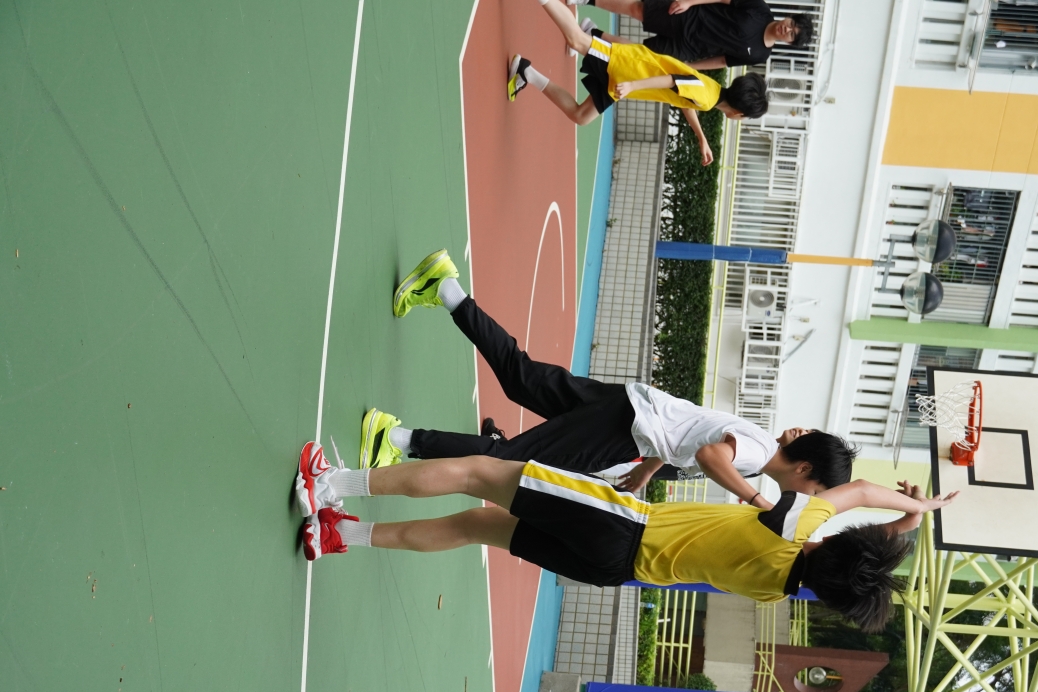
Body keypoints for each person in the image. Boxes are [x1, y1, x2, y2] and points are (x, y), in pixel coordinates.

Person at [293, 440, 958, 631]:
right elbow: (851, 528)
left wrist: (916, 508)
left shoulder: (794, 523)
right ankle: (342, 535)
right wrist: (901, 524)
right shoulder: (777, 589)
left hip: (621, 524)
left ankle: (328, 487)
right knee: (477, 527)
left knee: (479, 473)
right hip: (616, 569)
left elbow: (854, 493)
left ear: (836, 541)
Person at [372, 248, 856, 509]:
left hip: (629, 406)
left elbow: (692, 437)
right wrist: (756, 501)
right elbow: (710, 454)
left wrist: (648, 469)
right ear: (804, 471)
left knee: (521, 377)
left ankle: (447, 288)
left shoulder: (757, 451)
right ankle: (396, 438)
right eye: (815, 493)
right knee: (509, 462)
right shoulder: (756, 456)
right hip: (623, 430)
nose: (808, 500)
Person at [508, 0, 768, 165]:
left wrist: (701, 138)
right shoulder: (708, 97)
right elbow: (672, 81)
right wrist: (633, 86)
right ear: (739, 113)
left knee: (581, 115)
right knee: (576, 40)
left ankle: (525, 72)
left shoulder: (711, 93)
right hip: (627, 69)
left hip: (624, 80)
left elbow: (685, 98)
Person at [569, 0, 814, 70]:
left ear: (789, 42)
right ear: (789, 17)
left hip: (690, 48)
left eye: (792, 35)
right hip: (690, 16)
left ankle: (592, 33)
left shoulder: (760, 55)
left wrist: (691, 67)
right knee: (638, 10)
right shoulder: (760, 9)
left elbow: (722, 61)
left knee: (640, 56)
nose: (787, 29)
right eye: (792, 24)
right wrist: (689, 1)